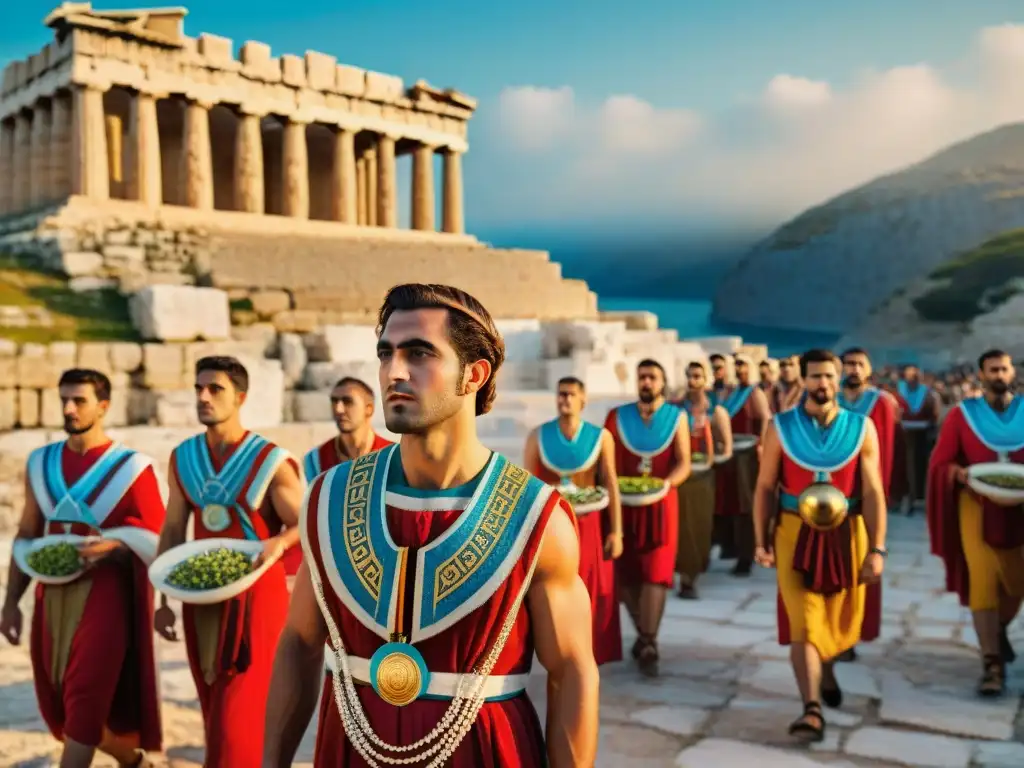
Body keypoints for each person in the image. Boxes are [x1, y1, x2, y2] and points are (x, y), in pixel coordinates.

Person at [261, 283, 599, 768]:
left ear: (473, 375)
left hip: (485, 752)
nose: (394, 372)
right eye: (386, 354)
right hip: (349, 750)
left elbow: (572, 671)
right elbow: (298, 640)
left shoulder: (536, 515)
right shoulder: (328, 499)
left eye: (419, 354)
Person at [0, 369, 165, 768]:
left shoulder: (131, 467)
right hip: (50, 596)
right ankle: (135, 762)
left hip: (105, 594)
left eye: (80, 400)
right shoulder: (42, 463)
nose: (69, 408)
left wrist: (117, 542)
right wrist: (10, 604)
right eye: (64, 400)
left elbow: (160, 537)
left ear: (104, 406)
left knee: (86, 698)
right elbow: (26, 533)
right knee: (62, 705)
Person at [154, 356, 305, 768]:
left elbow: (307, 524)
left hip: (257, 599)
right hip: (198, 597)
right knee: (213, 706)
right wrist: (163, 599)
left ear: (240, 397)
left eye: (214, 389)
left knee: (234, 722)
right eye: (198, 388)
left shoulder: (270, 460)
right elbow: (172, 529)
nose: (203, 397)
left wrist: (277, 544)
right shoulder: (182, 457)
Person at [753, 349, 887, 743]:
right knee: (804, 621)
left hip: (847, 535)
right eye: (815, 377)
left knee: (836, 617)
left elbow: (874, 491)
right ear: (803, 380)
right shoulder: (780, 427)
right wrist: (760, 540)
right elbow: (764, 487)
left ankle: (825, 670)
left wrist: (877, 549)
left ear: (839, 378)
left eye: (830, 376)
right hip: (794, 532)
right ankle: (811, 709)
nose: (823, 384)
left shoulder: (862, 428)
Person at [926, 349, 1024, 697]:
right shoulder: (961, 416)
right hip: (976, 507)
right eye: (992, 370)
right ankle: (991, 664)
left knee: (1017, 585)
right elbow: (940, 464)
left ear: (1012, 372)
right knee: (983, 580)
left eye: (1004, 369)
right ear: (981, 376)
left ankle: (995, 630)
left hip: (1021, 511)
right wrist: (961, 474)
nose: (999, 375)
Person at [524, 375, 623, 665]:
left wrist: (616, 531)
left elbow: (611, 483)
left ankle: (589, 651)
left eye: (570, 394)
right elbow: (528, 487)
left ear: (583, 399)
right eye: (561, 394)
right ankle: (557, 649)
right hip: (552, 527)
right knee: (552, 589)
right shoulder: (538, 436)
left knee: (591, 588)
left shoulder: (601, 437)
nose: (564, 399)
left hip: (591, 524)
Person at [605, 359, 691, 676]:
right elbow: (607, 461)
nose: (646, 382)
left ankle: (649, 641)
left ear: (663, 382)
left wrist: (666, 484)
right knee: (624, 573)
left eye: (652, 377)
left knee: (656, 572)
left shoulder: (677, 418)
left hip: (661, 505)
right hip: (623, 505)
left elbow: (683, 462)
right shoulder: (617, 417)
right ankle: (645, 632)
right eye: (642, 377)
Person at [294, 377, 393, 582]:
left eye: (347, 401)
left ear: (369, 409)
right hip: (329, 567)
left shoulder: (392, 456)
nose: (338, 409)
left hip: (382, 565)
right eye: (334, 401)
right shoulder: (314, 460)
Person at [835, 347, 899, 661]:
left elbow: (883, 457)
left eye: (859, 364)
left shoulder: (880, 404)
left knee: (861, 567)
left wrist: (875, 501)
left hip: (863, 500)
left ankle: (851, 633)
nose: (853, 369)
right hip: (830, 497)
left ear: (869, 369)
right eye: (847, 364)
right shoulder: (829, 400)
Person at [674, 361, 732, 599]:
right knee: (679, 527)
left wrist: (710, 460)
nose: (693, 381)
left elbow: (727, 448)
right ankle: (679, 574)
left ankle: (692, 577)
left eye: (698, 376)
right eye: (689, 376)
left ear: (706, 379)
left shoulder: (716, 410)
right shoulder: (676, 408)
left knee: (698, 527)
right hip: (680, 475)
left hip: (703, 477)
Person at [713, 353, 771, 576]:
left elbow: (765, 419)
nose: (739, 370)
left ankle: (747, 555)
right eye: (736, 365)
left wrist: (763, 446)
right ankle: (730, 547)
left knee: (745, 505)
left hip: (747, 454)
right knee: (729, 503)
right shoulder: (728, 393)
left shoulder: (753, 393)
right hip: (728, 452)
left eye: (743, 365)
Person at [892, 364, 942, 513]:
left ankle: (924, 498)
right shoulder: (897, 393)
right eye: (910, 374)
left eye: (916, 374)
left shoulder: (928, 393)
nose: (913, 377)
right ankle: (907, 498)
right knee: (906, 467)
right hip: (903, 433)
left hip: (924, 434)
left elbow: (935, 414)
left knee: (923, 466)